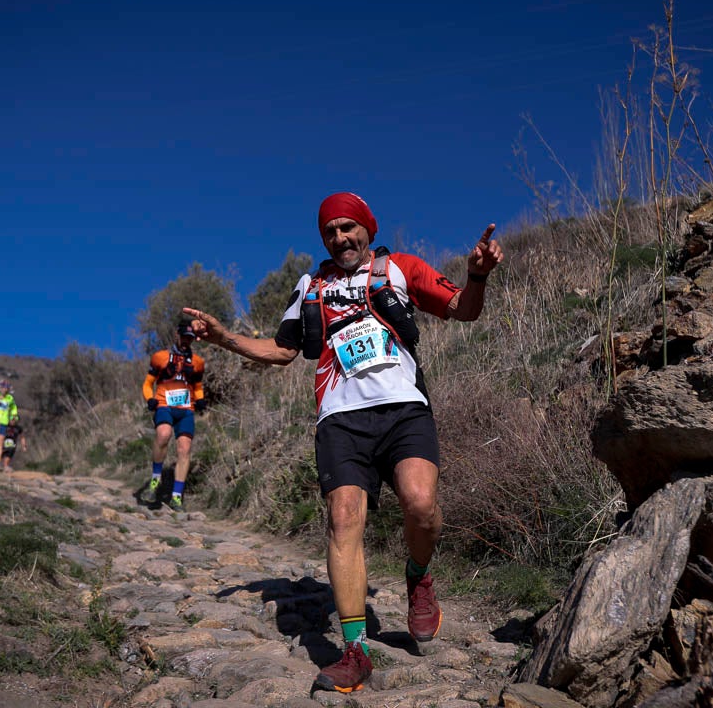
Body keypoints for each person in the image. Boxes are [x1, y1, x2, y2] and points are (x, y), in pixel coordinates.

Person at [183, 191, 502, 693]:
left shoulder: (400, 269)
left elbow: (463, 309)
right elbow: (283, 350)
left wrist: (477, 276)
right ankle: (355, 651)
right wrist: (225, 338)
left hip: (404, 409)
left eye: (348, 227)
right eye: (330, 231)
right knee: (343, 519)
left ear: (368, 229)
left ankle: (418, 575)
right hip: (340, 418)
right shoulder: (310, 286)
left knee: (421, 505)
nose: (340, 238)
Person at [139, 320, 206, 511]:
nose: (186, 341)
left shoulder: (198, 362)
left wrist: (201, 399)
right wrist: (150, 399)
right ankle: (155, 480)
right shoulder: (160, 357)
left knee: (184, 449)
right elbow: (148, 383)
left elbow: (197, 386)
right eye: (184, 337)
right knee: (163, 434)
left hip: (186, 409)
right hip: (164, 404)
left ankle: (176, 496)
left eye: (190, 338)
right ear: (177, 335)